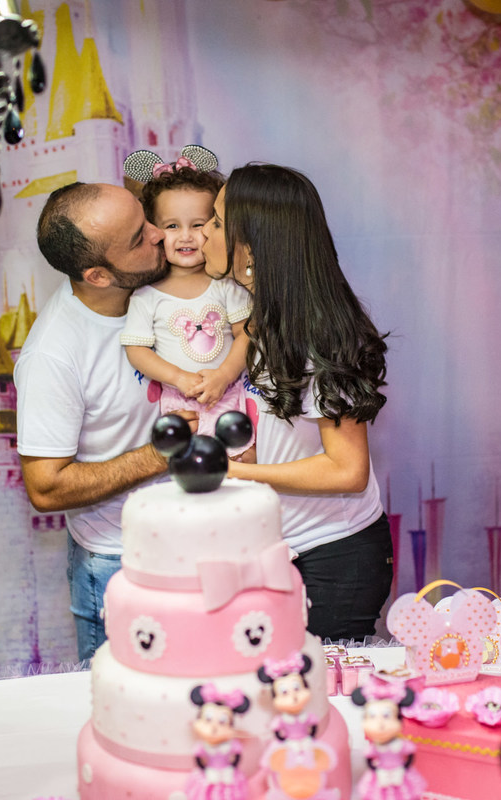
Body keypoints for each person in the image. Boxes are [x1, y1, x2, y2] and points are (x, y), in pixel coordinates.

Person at [202, 164, 392, 642]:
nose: (203, 233)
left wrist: (238, 474)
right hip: (284, 549)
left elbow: (347, 471)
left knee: (318, 688)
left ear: (251, 247)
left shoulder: (319, 332)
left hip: (333, 560)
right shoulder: (263, 317)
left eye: (217, 223)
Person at [17, 181, 182, 661]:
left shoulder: (161, 285)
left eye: (145, 218)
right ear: (99, 275)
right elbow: (46, 487)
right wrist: (160, 455)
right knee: (126, 700)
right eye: (138, 238)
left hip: (197, 541)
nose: (158, 233)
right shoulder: (53, 354)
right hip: (119, 562)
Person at [120, 154, 253, 453]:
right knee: (186, 464)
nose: (186, 237)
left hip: (228, 395)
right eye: (172, 226)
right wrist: (178, 378)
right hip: (179, 404)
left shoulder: (225, 284)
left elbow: (247, 333)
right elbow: (137, 350)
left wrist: (224, 375)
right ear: (153, 231)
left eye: (198, 225)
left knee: (238, 461)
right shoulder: (146, 296)